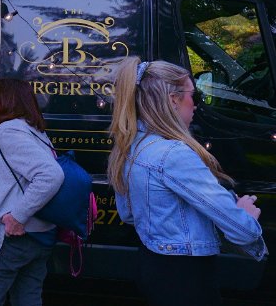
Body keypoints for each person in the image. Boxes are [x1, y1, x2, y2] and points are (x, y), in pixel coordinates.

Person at [108, 57, 266, 306]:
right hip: (187, 276)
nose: (196, 106)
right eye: (196, 96)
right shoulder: (174, 154)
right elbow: (241, 229)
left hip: (153, 265)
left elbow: (128, 214)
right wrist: (245, 214)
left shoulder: (132, 145)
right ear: (173, 99)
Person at [0, 79, 64, 306]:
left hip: (11, 238)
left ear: (7, 101)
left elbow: (51, 175)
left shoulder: (8, 130)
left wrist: (17, 216)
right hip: (40, 237)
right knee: (27, 300)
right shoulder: (36, 131)